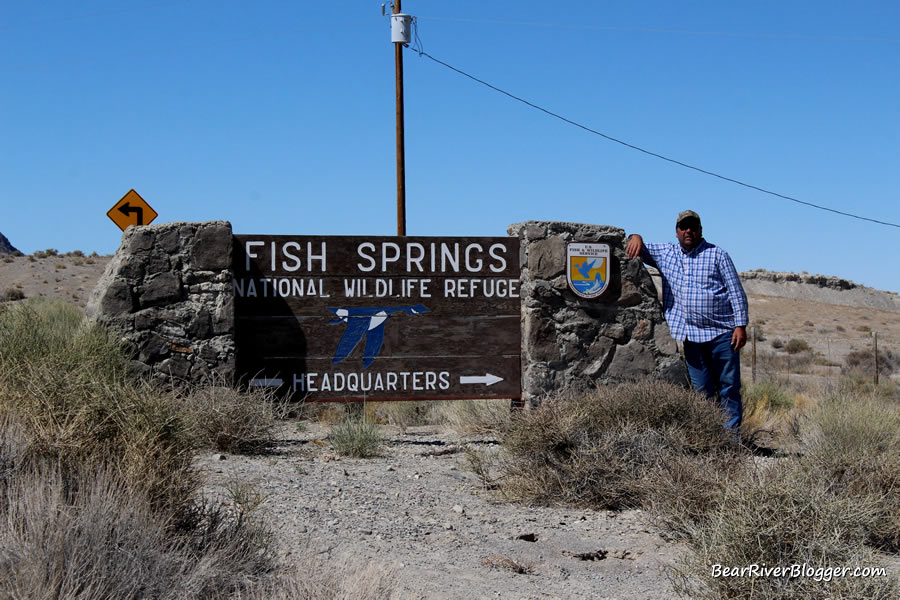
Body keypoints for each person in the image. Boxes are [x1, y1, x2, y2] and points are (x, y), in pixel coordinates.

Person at [625, 210, 748, 430]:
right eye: (684, 227)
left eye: (693, 226)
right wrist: (635, 236)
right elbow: (639, 246)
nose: (688, 231)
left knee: (728, 387)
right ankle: (710, 436)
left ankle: (732, 441)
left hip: (723, 334)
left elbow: (736, 292)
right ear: (677, 232)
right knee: (702, 391)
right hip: (691, 336)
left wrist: (740, 325)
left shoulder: (717, 255)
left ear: (700, 230)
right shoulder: (666, 253)